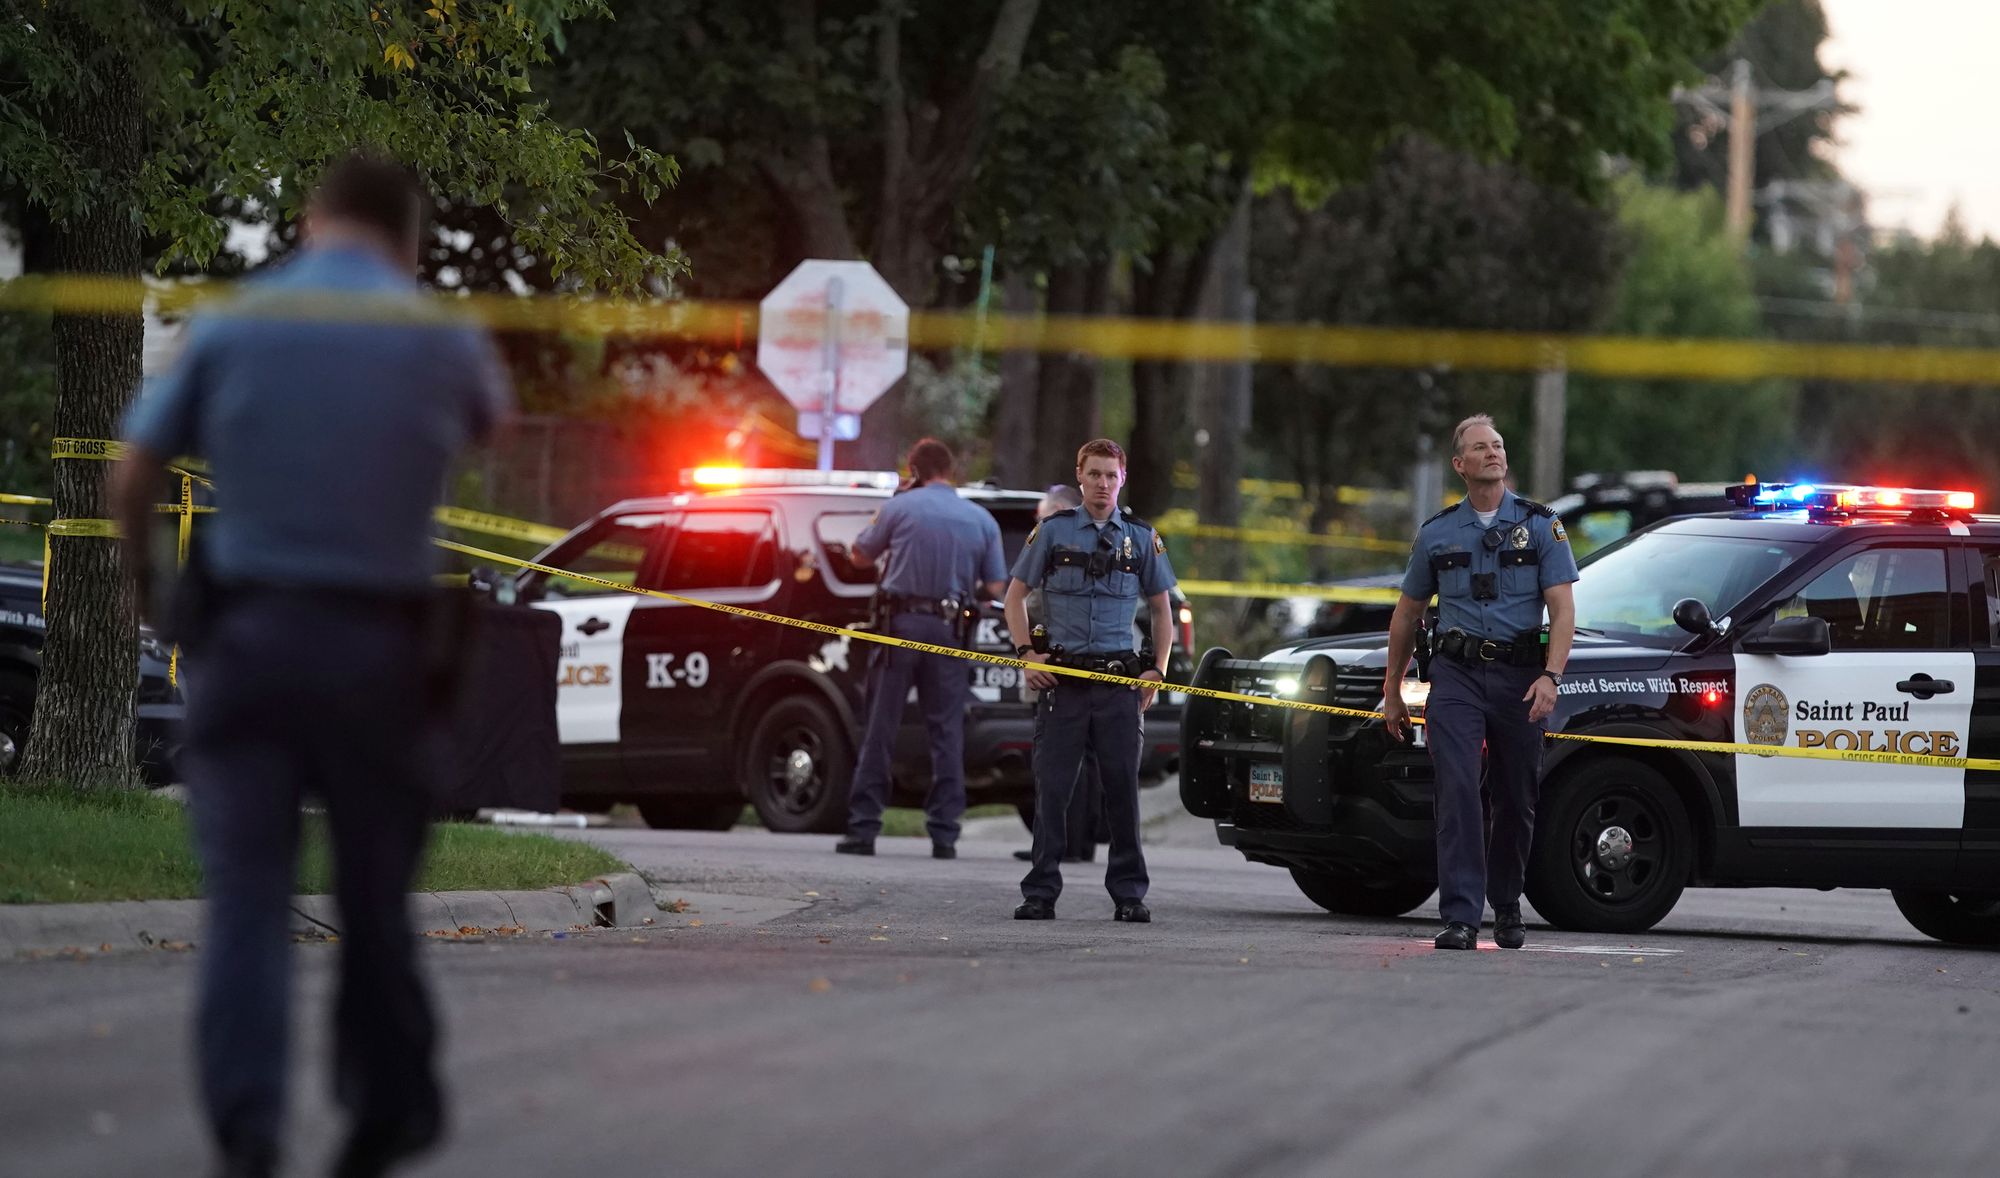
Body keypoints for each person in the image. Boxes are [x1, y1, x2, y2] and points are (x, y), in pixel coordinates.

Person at [112, 152, 510, 1178]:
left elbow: (134, 463)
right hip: (381, 653)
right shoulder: (437, 335)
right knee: (373, 893)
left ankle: (246, 1125)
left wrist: (149, 586)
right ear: (408, 237)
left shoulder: (237, 317)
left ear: (311, 217)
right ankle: (384, 1105)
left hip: (245, 645)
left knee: (246, 894)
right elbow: (487, 426)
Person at [1381, 414, 1577, 952]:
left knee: (1517, 795)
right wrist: (1392, 689)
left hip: (1520, 677)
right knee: (1459, 790)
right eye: (1479, 448)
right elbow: (1407, 615)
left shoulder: (1541, 526)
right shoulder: (1437, 533)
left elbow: (1562, 612)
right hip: (1457, 675)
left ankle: (1508, 902)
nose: (1492, 453)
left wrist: (1551, 676)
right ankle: (1462, 915)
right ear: (1459, 464)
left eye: (1498, 445)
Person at [1005, 439, 1176, 922]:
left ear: (1123, 480)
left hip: (1119, 685)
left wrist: (1157, 669)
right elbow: (1013, 597)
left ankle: (1128, 894)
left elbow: (1163, 610)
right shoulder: (1054, 532)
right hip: (1064, 686)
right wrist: (1027, 655)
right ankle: (1040, 891)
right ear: (1079, 476)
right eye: (1094, 474)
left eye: (1111, 475)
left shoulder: (1142, 538)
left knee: (1122, 792)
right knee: (1052, 790)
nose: (1103, 484)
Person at [836, 438, 1007, 858]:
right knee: (947, 733)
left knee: (881, 727)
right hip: (950, 633)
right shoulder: (980, 518)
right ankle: (945, 833)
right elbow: (997, 587)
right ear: (949, 471)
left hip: (900, 628)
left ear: (914, 470)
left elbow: (860, 555)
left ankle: (863, 829)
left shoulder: (899, 507)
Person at [1012, 483, 1105, 865]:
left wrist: (1026, 643)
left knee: (1058, 761)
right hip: (1091, 665)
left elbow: (1034, 600)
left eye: (1042, 516)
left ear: (1061, 511)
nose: (1038, 524)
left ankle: (1060, 844)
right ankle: (1078, 843)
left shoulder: (1060, 547)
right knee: (1087, 760)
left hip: (1058, 665)